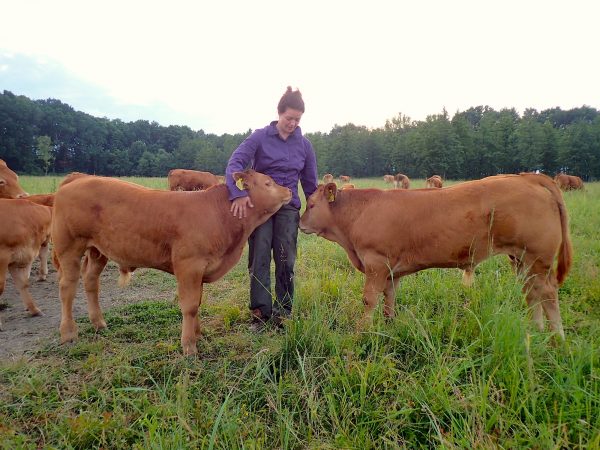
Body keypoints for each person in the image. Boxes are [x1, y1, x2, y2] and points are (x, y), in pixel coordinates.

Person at [225, 86, 318, 331]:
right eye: (289, 118)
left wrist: (317, 210)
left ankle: (283, 312)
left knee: (286, 260)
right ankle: (260, 314)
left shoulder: (305, 146)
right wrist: (237, 194)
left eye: (297, 119)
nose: (292, 123)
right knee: (260, 258)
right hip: (261, 209)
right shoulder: (259, 137)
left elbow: (309, 184)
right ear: (279, 114)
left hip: (288, 208)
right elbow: (235, 163)